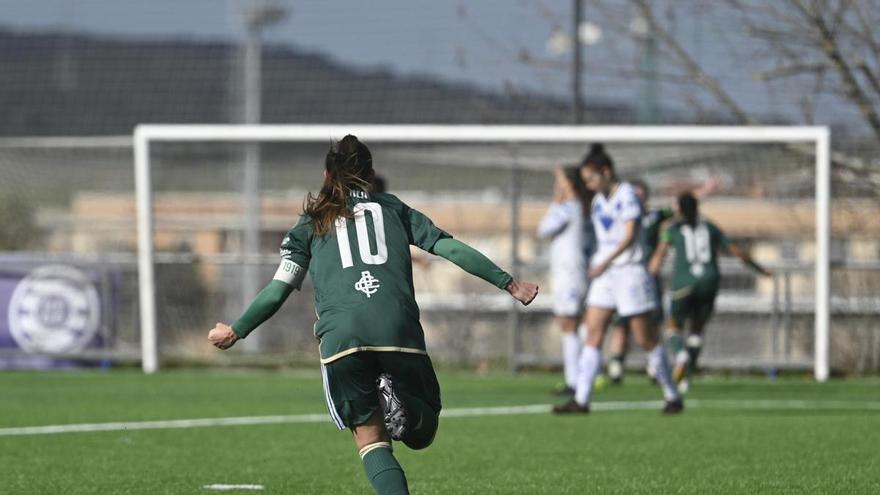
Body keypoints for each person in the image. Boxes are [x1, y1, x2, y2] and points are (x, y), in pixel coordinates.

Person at [208, 135, 539, 495]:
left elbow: (278, 289)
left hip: (342, 340)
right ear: (371, 175)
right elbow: (452, 249)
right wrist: (510, 284)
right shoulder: (395, 209)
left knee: (371, 440)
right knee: (423, 432)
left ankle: (392, 406)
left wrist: (236, 330)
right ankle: (403, 404)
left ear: (325, 174)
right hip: (396, 330)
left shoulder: (310, 223)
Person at [553, 144, 682, 415]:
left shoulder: (627, 196)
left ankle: (672, 394)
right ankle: (582, 399)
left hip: (630, 272)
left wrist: (605, 262)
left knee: (645, 337)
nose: (588, 184)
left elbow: (630, 235)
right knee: (593, 331)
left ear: (606, 172)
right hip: (606, 273)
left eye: (591, 178)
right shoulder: (599, 201)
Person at [649, 192, 771, 390]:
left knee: (673, 327)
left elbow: (658, 257)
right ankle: (686, 379)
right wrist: (760, 269)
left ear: (678, 209)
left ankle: (680, 355)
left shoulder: (672, 229)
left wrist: (647, 276)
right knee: (696, 330)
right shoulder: (710, 227)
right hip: (709, 282)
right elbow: (736, 251)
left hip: (683, 282)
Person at [537, 166, 592, 395]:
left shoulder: (569, 207)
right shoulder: (579, 206)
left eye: (558, 180)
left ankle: (576, 380)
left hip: (569, 273)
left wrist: (555, 201)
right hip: (571, 271)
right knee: (572, 324)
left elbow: (543, 229)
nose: (555, 185)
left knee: (568, 324)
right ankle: (581, 377)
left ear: (568, 183)